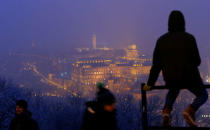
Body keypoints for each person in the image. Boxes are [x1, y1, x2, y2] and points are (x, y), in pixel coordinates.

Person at [143, 10, 208, 127]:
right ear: (183, 22)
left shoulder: (161, 40)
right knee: (203, 95)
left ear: (169, 23)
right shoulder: (189, 38)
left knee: (173, 89)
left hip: (171, 78)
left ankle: (166, 112)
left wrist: (149, 84)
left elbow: (156, 66)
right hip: (189, 78)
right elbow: (197, 61)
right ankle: (190, 110)